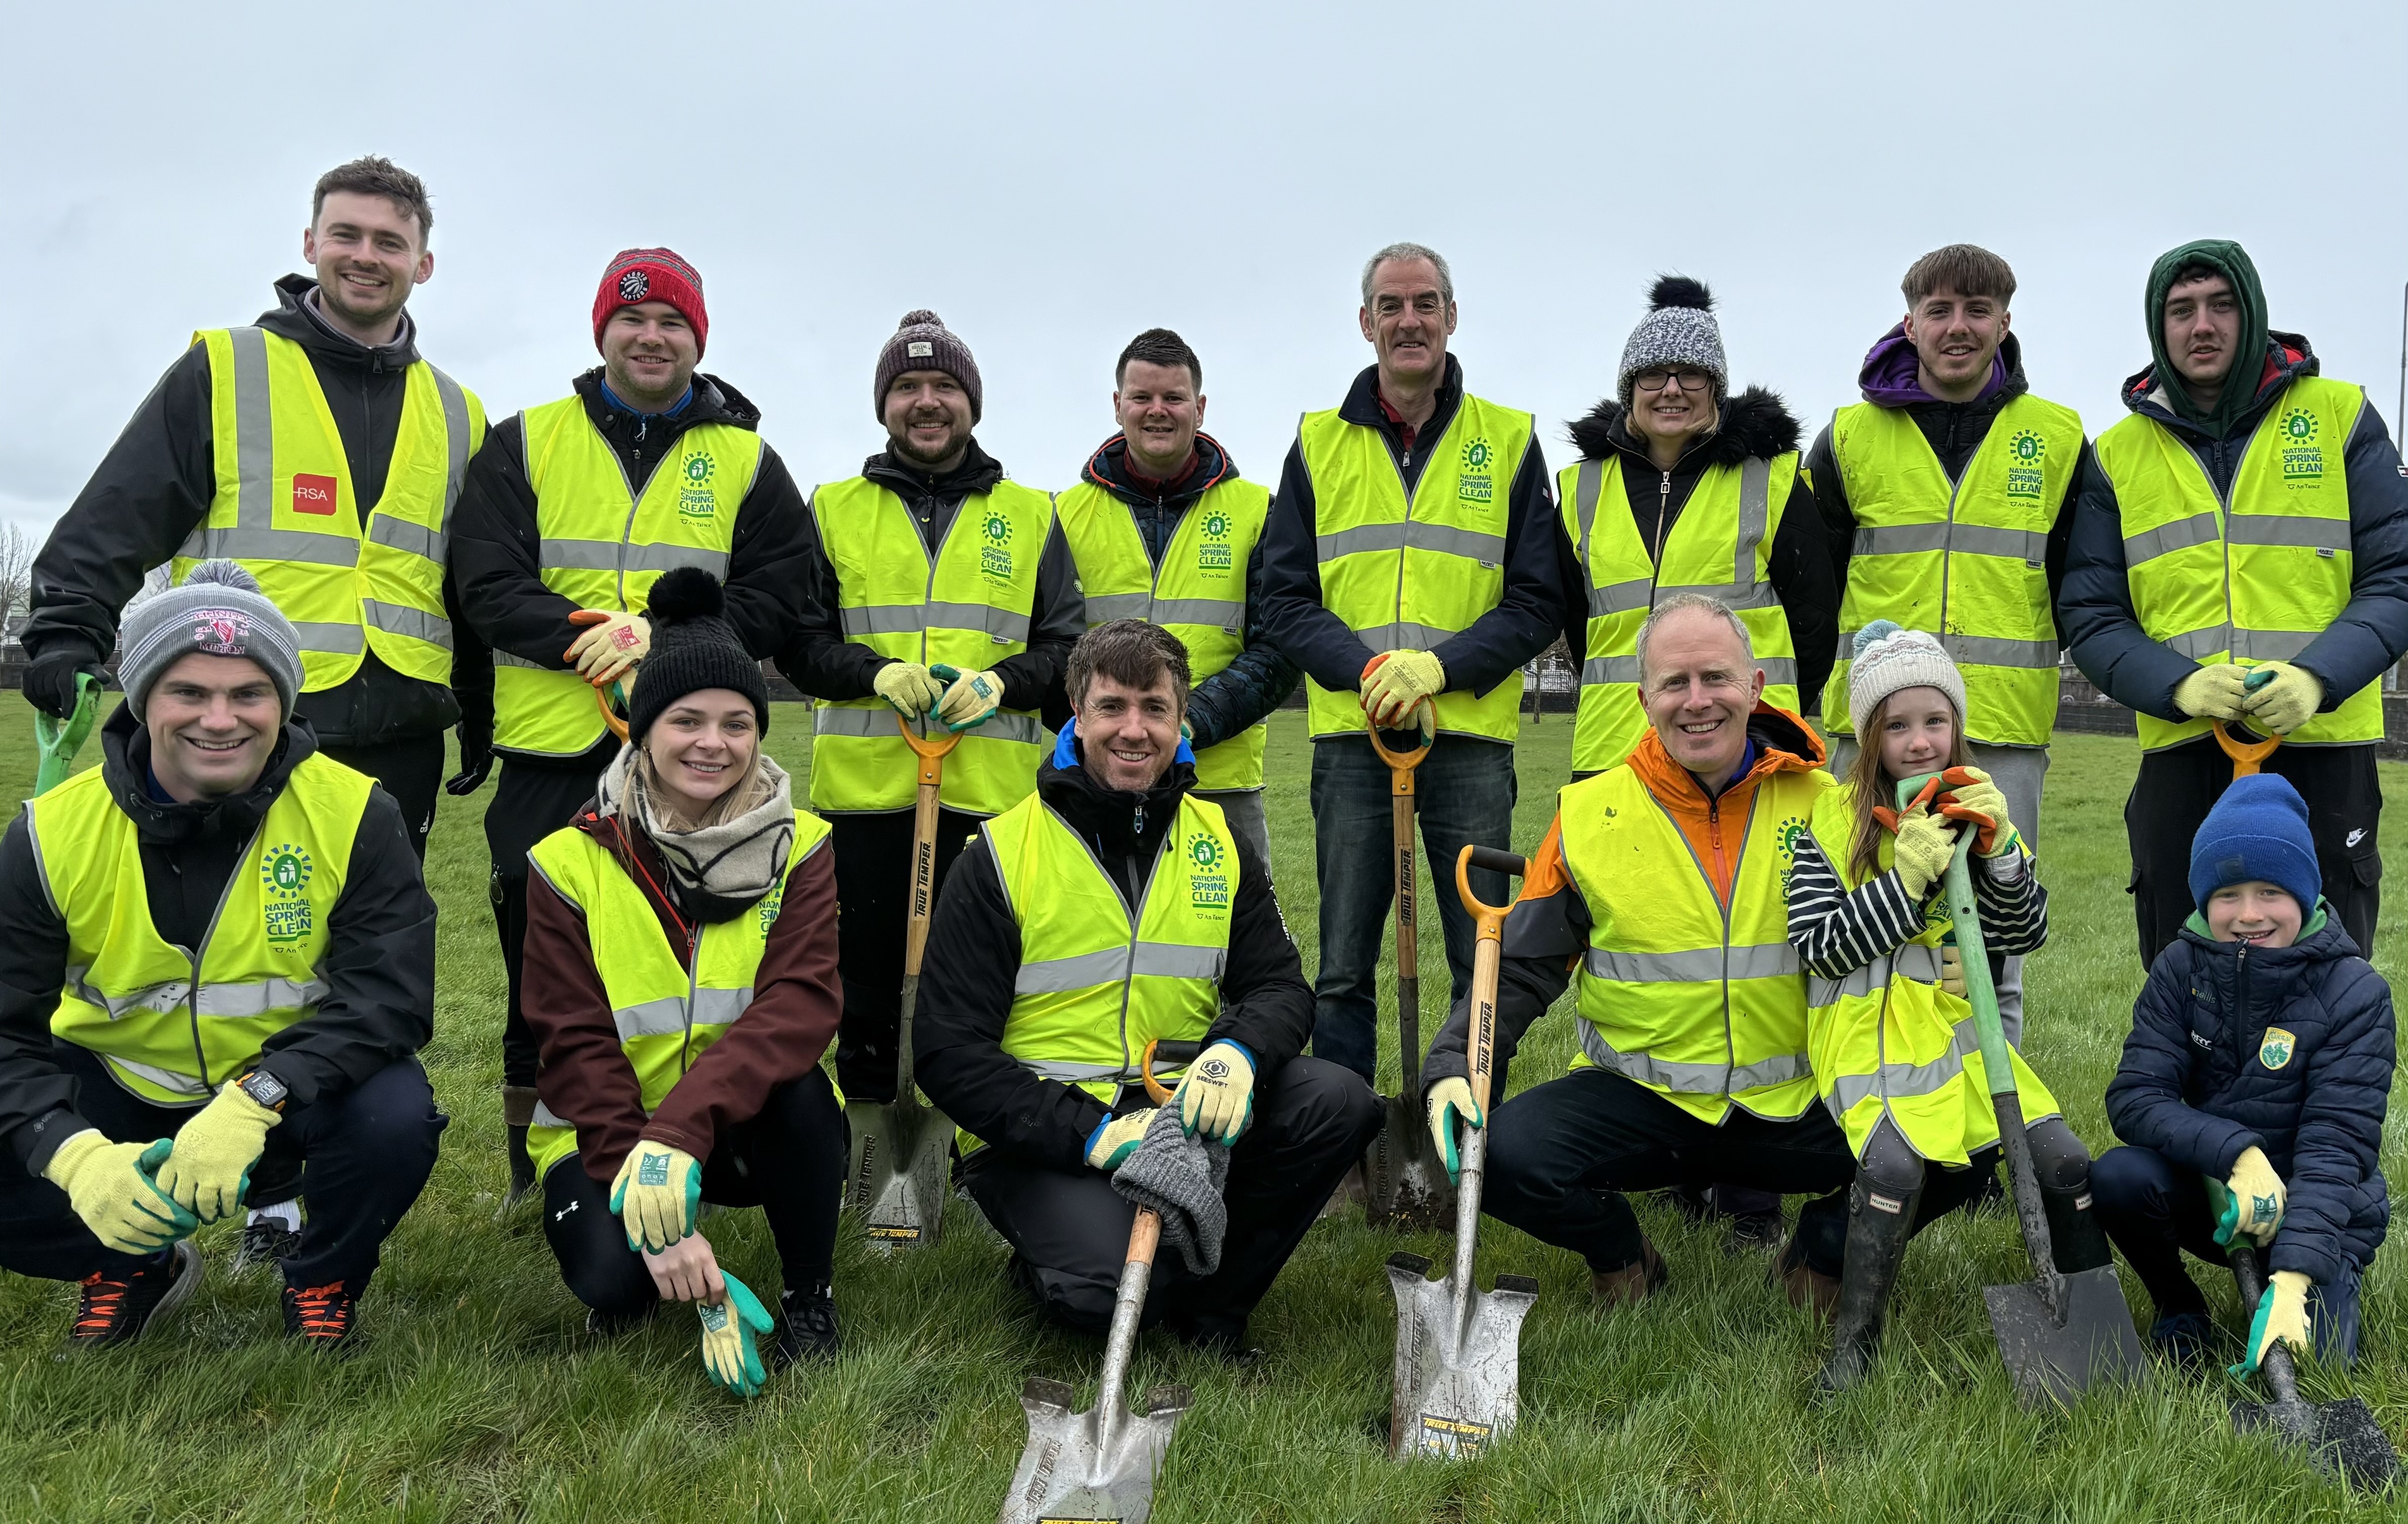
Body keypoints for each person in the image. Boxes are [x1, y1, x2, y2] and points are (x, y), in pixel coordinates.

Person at [0, 563, 442, 1347]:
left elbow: (391, 998)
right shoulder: (48, 831)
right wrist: (70, 1156)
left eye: (249, 694)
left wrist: (257, 1096)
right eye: (190, 692)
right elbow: (6, 1029)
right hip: (118, 1089)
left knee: (396, 1113)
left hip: (284, 1100)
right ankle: (131, 1259)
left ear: (284, 702)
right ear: (142, 700)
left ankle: (323, 1278)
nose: (220, 719)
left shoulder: (356, 811)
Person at [452, 247, 813, 1203]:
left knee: (685, 959)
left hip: (691, 765)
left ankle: (688, 1139)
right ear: (601, 330)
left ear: (698, 339)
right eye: (632, 320)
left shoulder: (744, 457)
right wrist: (584, 635)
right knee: (541, 962)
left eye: (672, 325)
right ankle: (540, 1169)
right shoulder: (524, 440)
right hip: (550, 751)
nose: (651, 338)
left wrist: (664, 639)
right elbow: (484, 582)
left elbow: (781, 595)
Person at [914, 621, 1380, 1353]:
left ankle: (1215, 1311)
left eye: (1155, 708)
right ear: (1076, 711)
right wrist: (1093, 1135)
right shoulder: (1002, 851)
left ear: (1179, 717)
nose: (1135, 730)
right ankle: (1052, 1262)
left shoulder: (1218, 838)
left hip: (1174, 1103)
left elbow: (1284, 988)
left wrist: (1236, 1053)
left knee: (1339, 1098)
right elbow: (947, 1053)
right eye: (1112, 707)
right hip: (1045, 1128)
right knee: (1107, 1295)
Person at [22, 156, 489, 861]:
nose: (366, 256)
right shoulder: (227, 369)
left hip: (402, 741)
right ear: (310, 245)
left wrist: (480, 703)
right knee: (234, 954)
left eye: (389, 242)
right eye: (346, 234)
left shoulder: (460, 412)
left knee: (382, 951)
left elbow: (467, 580)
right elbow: (116, 515)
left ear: (423, 264)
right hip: (238, 723)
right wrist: (64, 632)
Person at [1421, 594, 1853, 1311]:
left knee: (1956, 1140)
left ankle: (1824, 1247)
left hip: (1800, 1099)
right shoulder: (1590, 812)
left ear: (1757, 686)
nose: (1697, 701)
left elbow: (1896, 932)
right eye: (1674, 683)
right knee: (1490, 1151)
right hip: (1642, 1102)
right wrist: (1454, 1069)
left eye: (1716, 677)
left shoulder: (1828, 802)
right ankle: (1624, 1254)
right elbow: (1520, 969)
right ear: (1644, 698)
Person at [1557, 274, 1838, 1251]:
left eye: (1689, 373)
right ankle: (1668, 1157)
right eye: (1652, 374)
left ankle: (1753, 1179)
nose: (1669, 390)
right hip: (1615, 761)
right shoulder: (1580, 485)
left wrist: (1779, 726)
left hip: (1746, 762)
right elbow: (1568, 610)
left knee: (1759, 952)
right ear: (1627, 387)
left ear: (1716, 387)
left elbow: (1812, 607)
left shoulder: (1768, 473)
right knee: (1647, 964)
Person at [519, 569, 845, 1394]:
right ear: (640, 729)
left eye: (737, 724)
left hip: (733, 1126)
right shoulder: (567, 861)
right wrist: (648, 1188)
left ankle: (810, 1294)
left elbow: (799, 1006)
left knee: (805, 1093)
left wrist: (681, 1135)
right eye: (686, 720)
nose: (714, 743)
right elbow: (573, 1042)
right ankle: (641, 1260)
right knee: (612, 1283)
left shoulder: (802, 844)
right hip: (607, 1127)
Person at [1259, 242, 1560, 1085]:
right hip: (1353, 743)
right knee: (1344, 969)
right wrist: (1365, 673)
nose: (1408, 320)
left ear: (1450, 318)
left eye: (1424, 303)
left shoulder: (1506, 440)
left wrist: (1436, 669)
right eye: (1389, 306)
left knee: (1480, 961)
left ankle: (1466, 1128)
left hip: (1467, 743)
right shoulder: (1316, 444)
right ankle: (1346, 1136)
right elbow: (1282, 599)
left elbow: (1537, 602)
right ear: (1364, 323)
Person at [2063, 239, 2408, 968]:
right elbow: (2091, 615)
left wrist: (2317, 677)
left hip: (2324, 749)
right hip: (2183, 753)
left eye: (2222, 305)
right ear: (2159, 327)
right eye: (2181, 310)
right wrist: (2175, 685)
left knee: (2327, 975)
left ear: (2252, 313)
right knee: (2181, 973)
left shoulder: (2342, 416)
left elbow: (2396, 577)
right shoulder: (2115, 454)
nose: (2203, 325)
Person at [1786, 622, 2105, 1390]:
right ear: (1868, 734)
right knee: (1895, 1163)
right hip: (1864, 1033)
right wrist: (1902, 885)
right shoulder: (1826, 822)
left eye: (1935, 721)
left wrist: (1998, 856)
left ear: (1957, 725)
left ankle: (2092, 1342)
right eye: (1897, 724)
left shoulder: (1974, 806)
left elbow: (2026, 930)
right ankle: (1853, 1347)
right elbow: (1819, 946)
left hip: (1962, 1029)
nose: (1920, 740)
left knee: (2063, 1158)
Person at [775, 310, 1080, 1105]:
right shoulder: (834, 506)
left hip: (991, 802)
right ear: (884, 405)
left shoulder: (1033, 513)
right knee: (868, 988)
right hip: (866, 799)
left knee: (981, 983)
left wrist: (1005, 684)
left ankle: (974, 1136)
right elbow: (799, 640)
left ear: (972, 402)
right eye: (907, 386)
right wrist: (871, 672)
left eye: (945, 384)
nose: (927, 401)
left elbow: (1065, 649)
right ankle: (876, 1139)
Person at [1806, 244, 2091, 1044]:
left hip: (2001, 730)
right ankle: (1864, 1123)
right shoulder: (1848, 437)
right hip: (1869, 735)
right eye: (1939, 310)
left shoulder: (2059, 436)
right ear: (1910, 323)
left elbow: (2082, 585)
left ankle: (1990, 1142)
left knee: (1995, 944)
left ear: (2006, 322)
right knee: (1866, 924)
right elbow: (1810, 587)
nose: (1957, 327)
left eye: (1976, 310)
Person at [2093, 774, 2392, 1370]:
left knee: (2322, 1367)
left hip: (2315, 1208)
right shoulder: (2180, 967)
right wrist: (2236, 1155)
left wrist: (2295, 1274)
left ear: (2304, 895)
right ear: (2204, 898)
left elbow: (2337, 1148)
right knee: (2119, 1176)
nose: (2248, 914)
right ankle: (2180, 1308)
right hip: (2216, 1193)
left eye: (2270, 892)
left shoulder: (2357, 993)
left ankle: (2301, 1283)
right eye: (2227, 894)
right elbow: (2134, 1096)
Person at [1053, 328, 1299, 868]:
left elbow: (1279, 651)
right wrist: (1110, 734)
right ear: (1118, 406)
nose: (1157, 411)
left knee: (1237, 949)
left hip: (1220, 786)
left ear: (1201, 407)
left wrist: (1187, 725)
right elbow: (1053, 647)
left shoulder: (1260, 510)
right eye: (1142, 398)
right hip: (1095, 786)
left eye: (1174, 398)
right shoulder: (1063, 515)